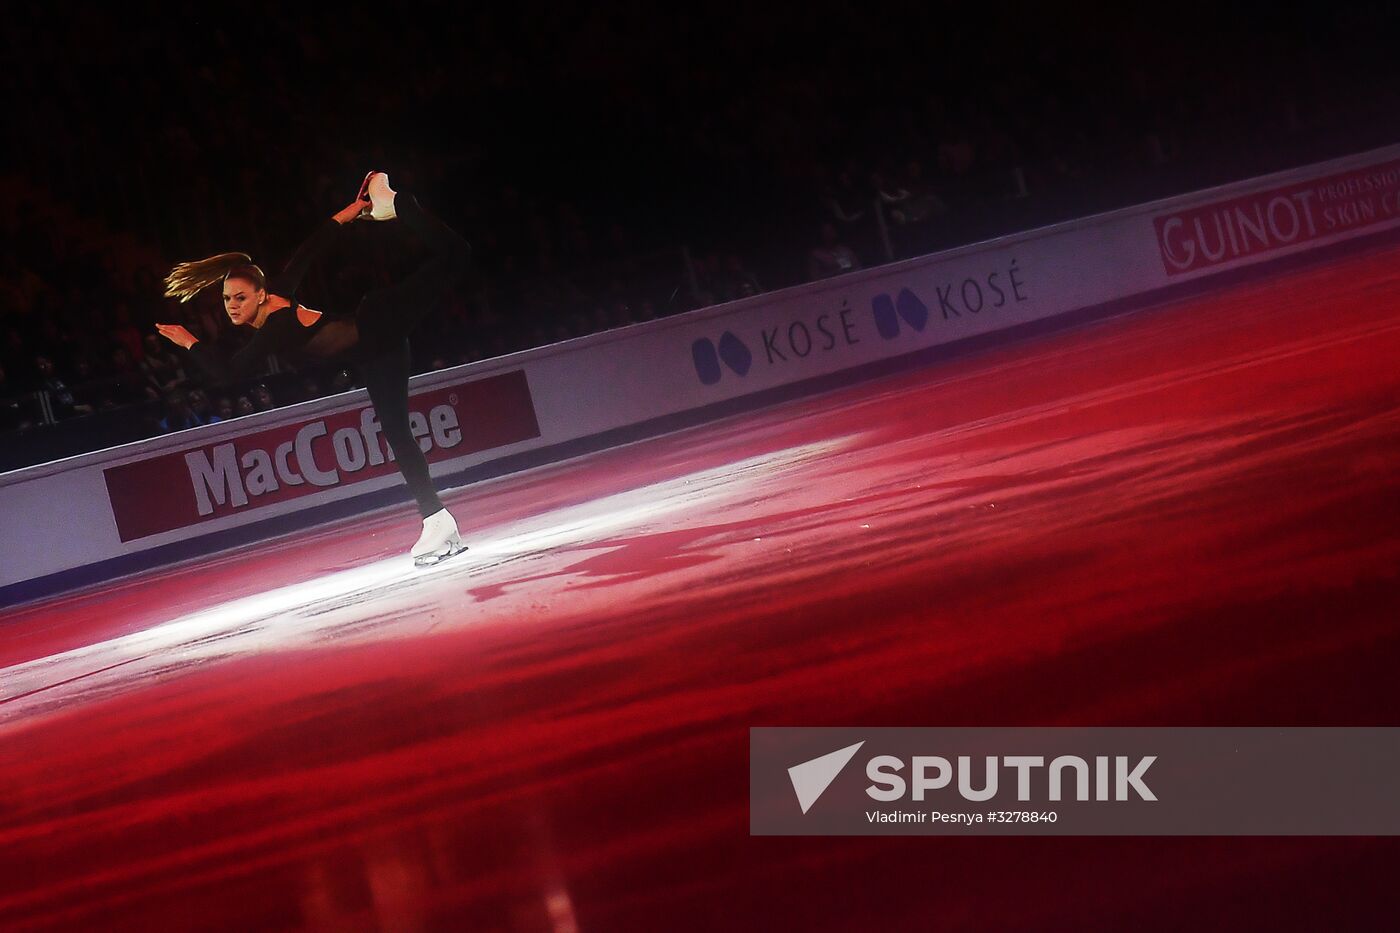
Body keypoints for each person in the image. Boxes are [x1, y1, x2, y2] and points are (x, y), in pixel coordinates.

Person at [156, 173, 472, 565]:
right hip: (376, 353)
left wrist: (189, 341)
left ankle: (398, 202)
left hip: (380, 320)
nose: (232, 305)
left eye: (240, 297)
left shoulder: (275, 327)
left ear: (260, 295)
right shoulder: (277, 296)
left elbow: (228, 374)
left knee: (457, 254)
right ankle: (437, 520)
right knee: (397, 434)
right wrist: (348, 213)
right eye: (226, 299)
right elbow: (311, 248)